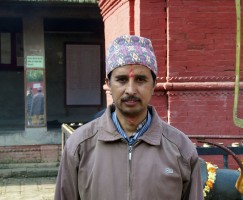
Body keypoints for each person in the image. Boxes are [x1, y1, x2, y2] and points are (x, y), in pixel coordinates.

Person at [55, 35, 203, 200]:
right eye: (121, 80)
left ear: (154, 85)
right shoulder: (79, 145)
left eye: (141, 79)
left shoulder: (180, 148)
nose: (131, 90)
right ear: (108, 84)